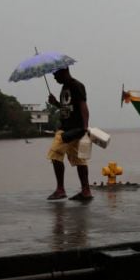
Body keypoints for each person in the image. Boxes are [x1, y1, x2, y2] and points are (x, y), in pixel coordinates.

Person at [46, 67, 92, 201]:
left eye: (56, 74)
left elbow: (83, 106)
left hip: (71, 129)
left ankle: (60, 190)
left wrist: (85, 127)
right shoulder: (64, 88)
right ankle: (86, 191)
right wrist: (55, 103)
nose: (54, 77)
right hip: (71, 127)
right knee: (79, 159)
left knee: (55, 154)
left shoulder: (76, 86)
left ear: (64, 71)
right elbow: (67, 108)